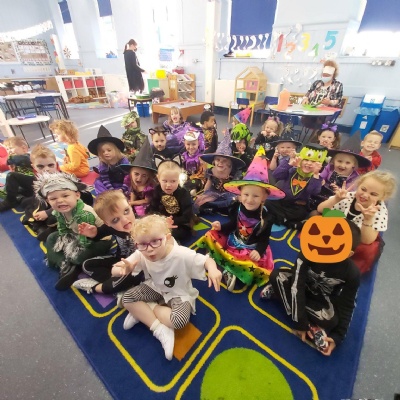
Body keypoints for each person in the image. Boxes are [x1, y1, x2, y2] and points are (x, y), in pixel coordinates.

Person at [114, 214, 221, 360]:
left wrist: (213, 270)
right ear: (137, 244)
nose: (149, 249)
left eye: (155, 241)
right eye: (143, 244)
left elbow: (206, 261)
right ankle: (159, 328)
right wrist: (124, 269)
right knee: (127, 298)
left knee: (179, 321)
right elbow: (116, 269)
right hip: (155, 287)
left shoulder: (180, 254)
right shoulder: (141, 252)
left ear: (167, 238)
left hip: (178, 293)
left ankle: (146, 309)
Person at [262, 216, 362, 357]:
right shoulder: (309, 252)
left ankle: (279, 295)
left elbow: (348, 304)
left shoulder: (352, 273)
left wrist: (338, 336)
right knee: (276, 276)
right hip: (297, 286)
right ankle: (311, 325)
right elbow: (297, 285)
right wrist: (301, 323)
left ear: (349, 254)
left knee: (331, 321)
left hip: (319, 300)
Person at [197, 147, 286, 291]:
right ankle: (224, 264)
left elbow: (264, 239)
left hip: (249, 248)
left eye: (256, 196)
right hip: (234, 240)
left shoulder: (266, 217)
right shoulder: (238, 206)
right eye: (246, 195)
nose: (249, 200)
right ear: (240, 194)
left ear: (264, 197)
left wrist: (259, 251)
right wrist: (221, 227)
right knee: (210, 234)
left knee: (249, 264)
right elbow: (233, 224)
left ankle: (228, 269)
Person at [34, 172, 112, 290]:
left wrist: (71, 249)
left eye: (65, 196)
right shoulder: (59, 210)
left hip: (97, 240)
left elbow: (86, 239)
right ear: (48, 201)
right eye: (53, 198)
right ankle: (64, 264)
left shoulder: (84, 213)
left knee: (77, 256)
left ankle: (71, 265)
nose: (60, 201)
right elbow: (63, 228)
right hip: (76, 233)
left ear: (77, 195)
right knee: (51, 238)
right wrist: (64, 240)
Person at [317, 170, 397, 273]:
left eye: (373, 194)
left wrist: (368, 219)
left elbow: (366, 240)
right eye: (363, 189)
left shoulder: (379, 212)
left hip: (356, 239)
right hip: (337, 230)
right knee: (315, 215)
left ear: (383, 197)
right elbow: (320, 209)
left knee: (366, 250)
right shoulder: (348, 196)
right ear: (358, 185)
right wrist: (336, 199)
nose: (365, 195)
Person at [73, 190, 143, 298]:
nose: (125, 220)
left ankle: (97, 287)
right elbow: (99, 234)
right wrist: (93, 233)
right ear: (107, 223)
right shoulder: (109, 228)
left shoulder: (144, 225)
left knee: (123, 282)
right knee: (87, 265)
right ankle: (117, 284)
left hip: (137, 266)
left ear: (130, 205)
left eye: (126, 211)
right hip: (119, 259)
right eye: (115, 220)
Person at [266, 144, 327, 229]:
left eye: (313, 162)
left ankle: (277, 218)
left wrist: (316, 174)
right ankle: (286, 221)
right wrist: (289, 164)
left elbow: (313, 192)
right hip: (281, 201)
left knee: (300, 213)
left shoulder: (316, 178)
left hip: (296, 207)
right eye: (306, 160)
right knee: (268, 202)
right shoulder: (292, 170)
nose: (309, 163)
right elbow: (276, 175)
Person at [194, 131, 245, 215]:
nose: (220, 163)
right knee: (202, 202)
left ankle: (217, 209)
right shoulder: (211, 171)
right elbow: (207, 186)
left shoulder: (234, 173)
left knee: (233, 202)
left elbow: (237, 188)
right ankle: (213, 208)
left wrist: (238, 197)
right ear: (214, 161)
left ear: (230, 163)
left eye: (224, 161)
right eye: (218, 160)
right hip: (213, 193)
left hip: (228, 194)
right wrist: (203, 196)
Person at [146, 160, 194, 242]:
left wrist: (173, 221)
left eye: (173, 181)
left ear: (178, 179)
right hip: (162, 220)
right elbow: (153, 207)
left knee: (181, 233)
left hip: (178, 222)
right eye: (165, 181)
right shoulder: (157, 190)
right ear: (158, 178)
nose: (168, 185)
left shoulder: (183, 193)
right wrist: (161, 220)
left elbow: (187, 215)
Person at [301, 59, 343, 130]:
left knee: (319, 122)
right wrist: (305, 98)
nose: (325, 76)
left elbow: (338, 100)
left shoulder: (338, 85)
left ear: (333, 75)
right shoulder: (317, 83)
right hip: (311, 109)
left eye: (328, 75)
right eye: (324, 75)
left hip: (325, 113)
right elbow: (308, 93)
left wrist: (330, 102)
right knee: (305, 119)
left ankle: (318, 132)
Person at [88, 125, 129, 195]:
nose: (106, 153)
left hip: (123, 183)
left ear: (116, 150)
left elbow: (127, 177)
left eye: (109, 150)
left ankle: (123, 193)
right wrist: (112, 190)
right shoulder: (103, 163)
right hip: (110, 185)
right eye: (103, 152)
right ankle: (109, 195)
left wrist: (122, 189)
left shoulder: (123, 160)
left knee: (133, 182)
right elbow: (105, 179)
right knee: (97, 182)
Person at [121, 140, 157, 216]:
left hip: (148, 203)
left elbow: (147, 201)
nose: (139, 178)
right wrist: (131, 203)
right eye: (136, 174)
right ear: (131, 173)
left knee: (142, 210)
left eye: (144, 176)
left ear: (148, 177)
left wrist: (132, 203)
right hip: (137, 200)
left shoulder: (149, 187)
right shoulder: (131, 180)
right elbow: (133, 191)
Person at [0, 137, 34, 211]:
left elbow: (20, 160)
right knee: (5, 190)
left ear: (23, 148)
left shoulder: (28, 157)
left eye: (11, 148)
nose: (9, 151)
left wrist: (9, 160)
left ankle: (10, 201)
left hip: (34, 183)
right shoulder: (14, 162)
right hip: (25, 188)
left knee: (12, 175)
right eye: (7, 149)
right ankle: (21, 199)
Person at [181, 130, 206, 197]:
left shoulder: (201, 158)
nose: (191, 147)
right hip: (186, 177)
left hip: (197, 179)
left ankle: (191, 191)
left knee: (193, 182)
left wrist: (192, 177)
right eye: (188, 144)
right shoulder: (183, 156)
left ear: (198, 143)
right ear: (184, 144)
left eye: (194, 144)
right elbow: (181, 169)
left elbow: (202, 174)